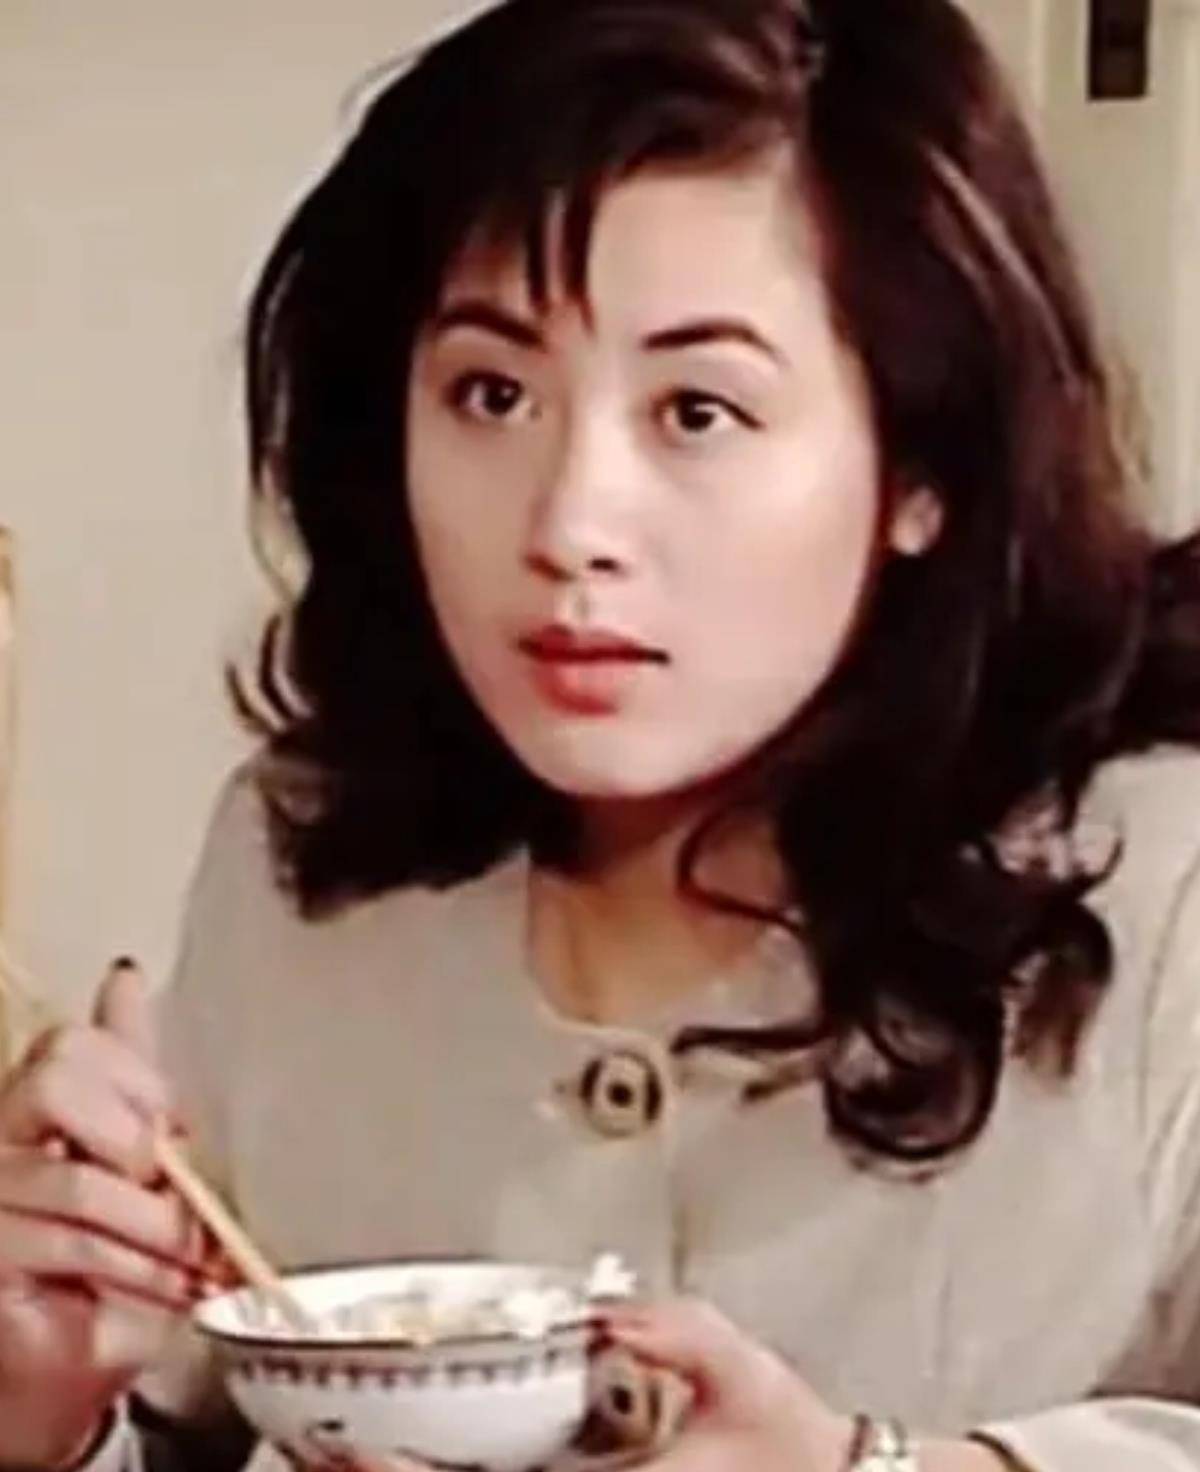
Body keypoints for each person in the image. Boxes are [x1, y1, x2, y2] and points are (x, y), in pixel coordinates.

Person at [4, 0, 1200, 1467]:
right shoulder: (305, 867)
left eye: (698, 410)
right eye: (492, 393)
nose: (570, 524)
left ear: (921, 467)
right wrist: (44, 1418)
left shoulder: (1165, 889)